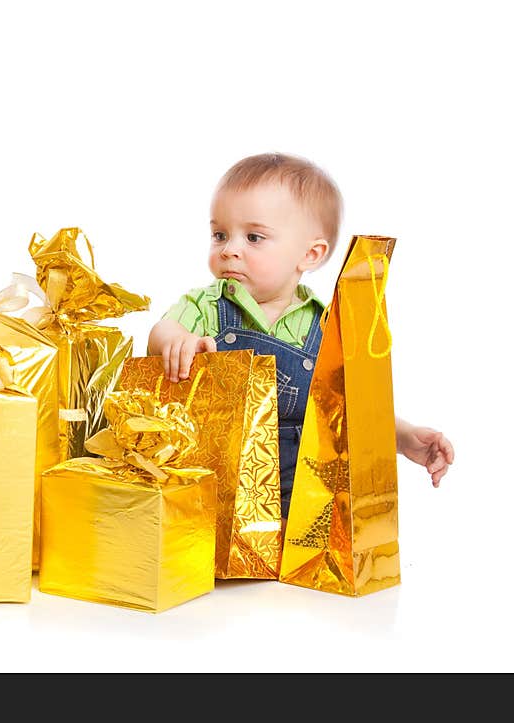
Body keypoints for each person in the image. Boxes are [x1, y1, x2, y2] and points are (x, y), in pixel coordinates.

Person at [147, 152, 454, 527]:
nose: (229, 249)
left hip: (298, 492)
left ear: (310, 254)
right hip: (215, 485)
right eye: (219, 234)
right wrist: (176, 339)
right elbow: (161, 331)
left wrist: (404, 437)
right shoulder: (209, 305)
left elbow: (349, 407)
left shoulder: (326, 326)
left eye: (254, 237)